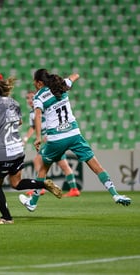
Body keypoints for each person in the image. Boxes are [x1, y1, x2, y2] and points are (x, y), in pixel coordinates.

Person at [19, 69, 131, 212]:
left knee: (43, 169)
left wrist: (38, 138)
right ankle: (115, 194)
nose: (34, 86)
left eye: (35, 83)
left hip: (56, 138)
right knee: (96, 166)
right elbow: (77, 75)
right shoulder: (60, 85)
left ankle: (33, 202)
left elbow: (38, 116)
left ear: (39, 83)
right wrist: (63, 80)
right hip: (74, 134)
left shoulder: (39, 96)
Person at [0, 72, 62, 225]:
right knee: (16, 183)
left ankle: (6, 217)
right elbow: (20, 122)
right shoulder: (14, 102)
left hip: (2, 151)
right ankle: (43, 184)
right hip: (18, 149)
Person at [23, 90, 80, 197]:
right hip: (50, 139)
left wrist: (50, 134)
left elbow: (53, 116)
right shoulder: (32, 113)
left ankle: (40, 187)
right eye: (27, 98)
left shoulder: (43, 106)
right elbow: (33, 127)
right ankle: (74, 189)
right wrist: (25, 139)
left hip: (53, 138)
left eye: (31, 97)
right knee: (63, 165)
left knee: (37, 160)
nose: (29, 100)